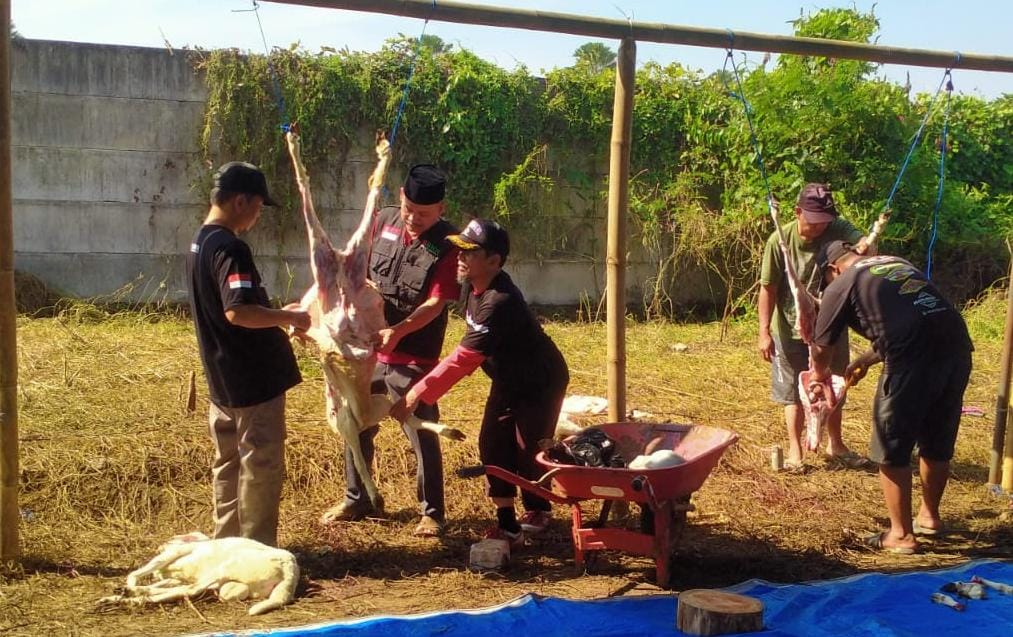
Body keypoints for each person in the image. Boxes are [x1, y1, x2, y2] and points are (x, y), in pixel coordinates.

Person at [390, 219, 569, 544]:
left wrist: (416, 393)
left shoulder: (500, 301)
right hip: (508, 379)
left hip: (540, 382)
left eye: (469, 251)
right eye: (459, 248)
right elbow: (473, 348)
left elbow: (464, 359)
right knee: (492, 443)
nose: (459, 256)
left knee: (528, 449)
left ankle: (538, 509)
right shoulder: (473, 288)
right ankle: (507, 524)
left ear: (494, 261)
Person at [809, 241, 973, 554]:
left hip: (911, 358)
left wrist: (818, 376)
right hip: (957, 348)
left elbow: (822, 347)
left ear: (832, 269)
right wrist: (866, 359)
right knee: (937, 439)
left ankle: (900, 536)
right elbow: (910, 317)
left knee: (890, 443)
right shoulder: (894, 263)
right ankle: (931, 518)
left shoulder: (840, 284)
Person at [328, 165, 461, 538]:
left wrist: (398, 332)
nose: (413, 219)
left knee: (420, 431)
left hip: (413, 355)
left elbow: (436, 303)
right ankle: (358, 498)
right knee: (354, 424)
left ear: (441, 209)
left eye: (423, 214)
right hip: (369, 350)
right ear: (401, 196)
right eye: (408, 209)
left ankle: (432, 513)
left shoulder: (451, 243)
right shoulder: (383, 219)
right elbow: (359, 265)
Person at [186, 161, 310, 547]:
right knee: (260, 463)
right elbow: (238, 310)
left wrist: (275, 314)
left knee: (228, 463)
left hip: (222, 379)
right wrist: (288, 316)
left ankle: (227, 542)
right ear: (241, 201)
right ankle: (256, 548)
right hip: (253, 382)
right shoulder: (230, 247)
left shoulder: (199, 243)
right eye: (258, 206)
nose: (259, 215)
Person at [757, 183, 867, 470]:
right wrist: (764, 332)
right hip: (790, 327)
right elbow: (767, 288)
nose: (820, 228)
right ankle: (797, 450)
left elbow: (866, 244)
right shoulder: (778, 241)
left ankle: (836, 444)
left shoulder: (836, 228)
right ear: (797, 212)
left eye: (825, 222)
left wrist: (868, 240)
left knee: (834, 385)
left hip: (830, 328)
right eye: (814, 221)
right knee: (792, 392)